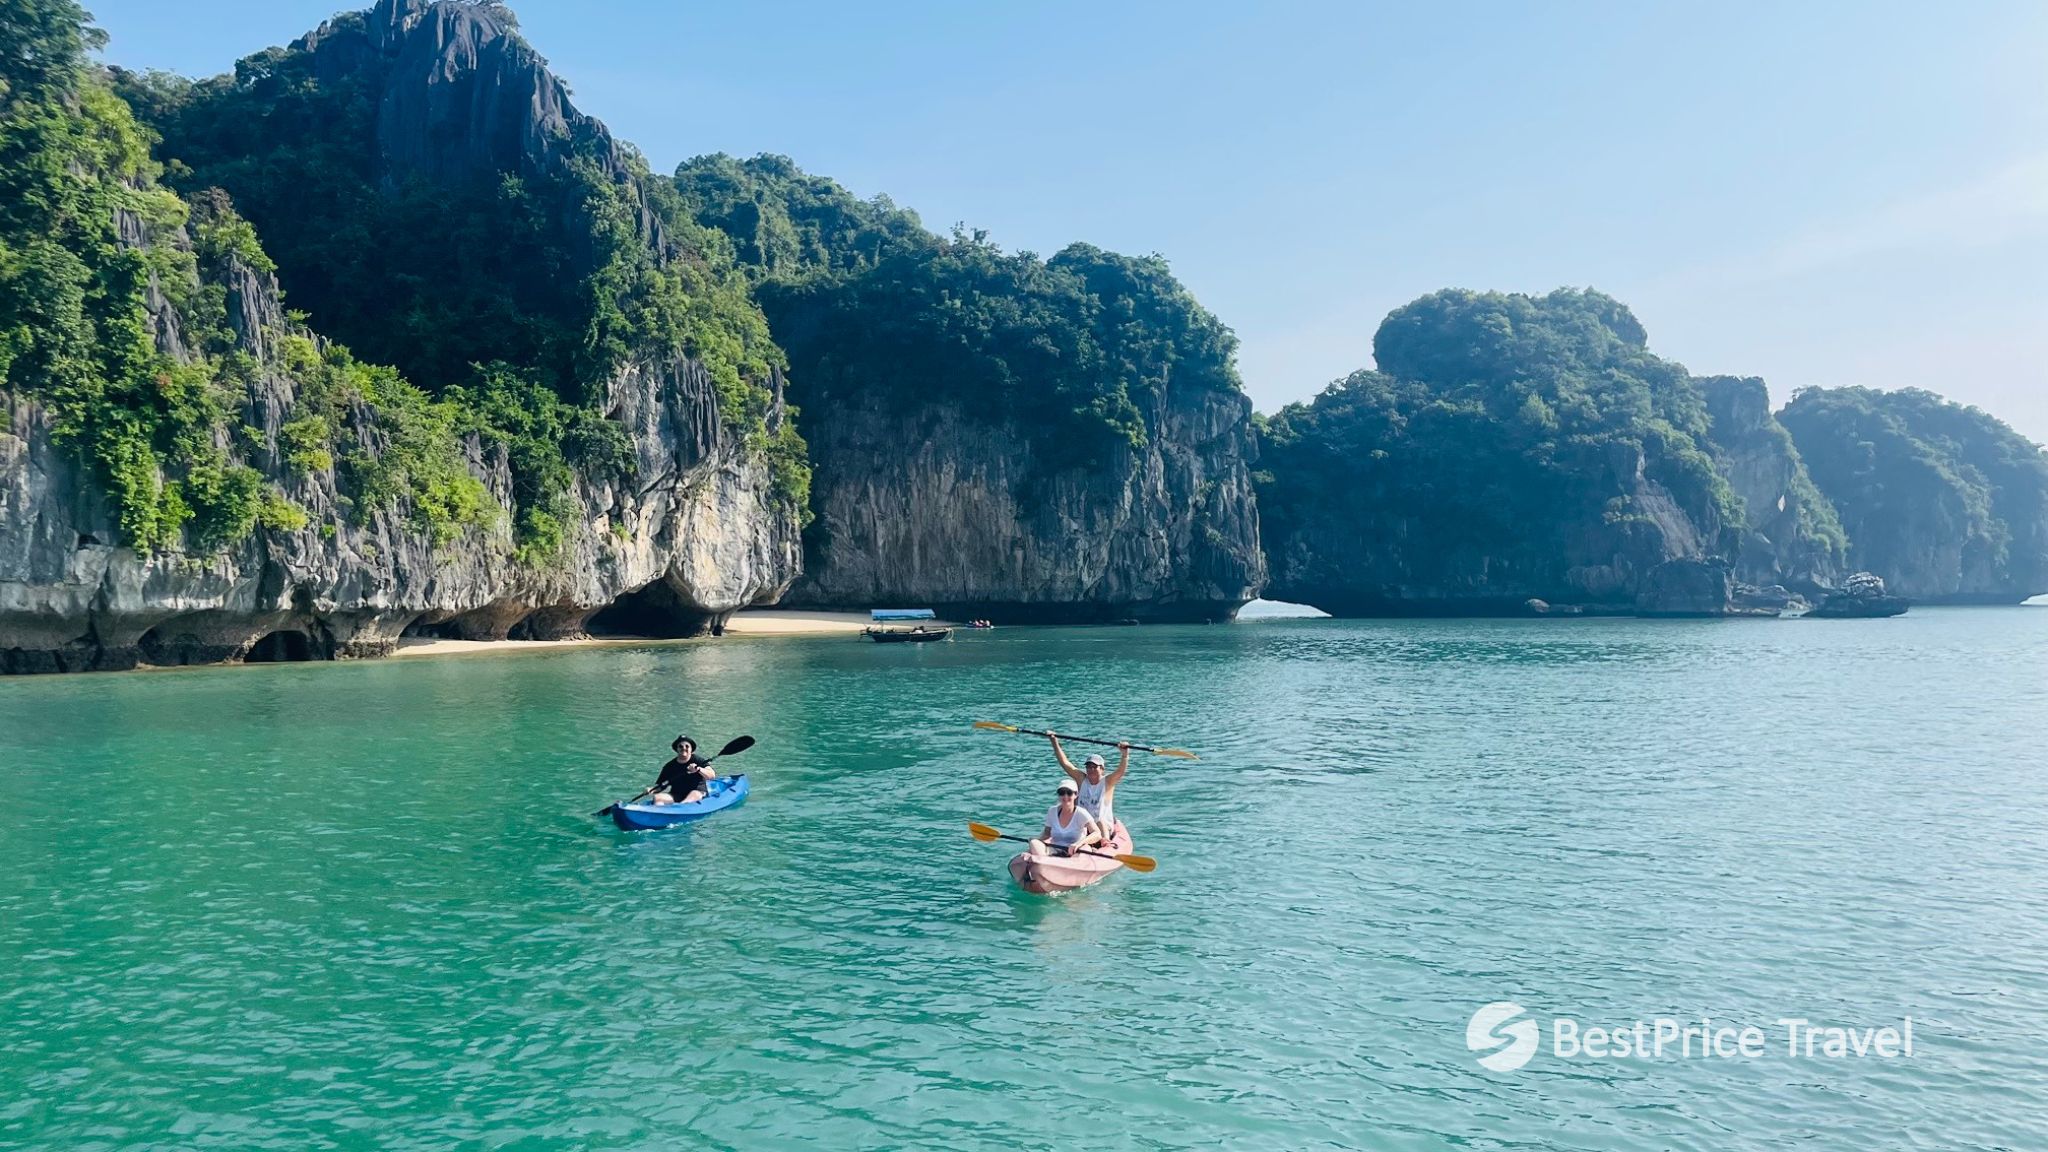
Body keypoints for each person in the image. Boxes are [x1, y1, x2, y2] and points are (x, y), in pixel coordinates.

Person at [1047, 731, 1129, 840]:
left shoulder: (1108, 782)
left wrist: (1124, 756)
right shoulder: (1081, 779)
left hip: (1102, 827)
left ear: (1102, 769)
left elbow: (1120, 772)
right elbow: (1065, 763)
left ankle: (1105, 844)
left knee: (1100, 822)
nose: (1091, 770)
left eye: (1095, 767)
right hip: (1084, 825)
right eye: (1089, 767)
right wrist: (1054, 742)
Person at [1030, 777, 1104, 858]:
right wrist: (1036, 839)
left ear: (1076, 795)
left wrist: (1079, 844)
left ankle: (1072, 865)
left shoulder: (1081, 813)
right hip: (1056, 849)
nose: (1065, 796)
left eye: (1069, 793)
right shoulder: (1052, 811)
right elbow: (1046, 833)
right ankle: (1044, 863)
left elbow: (1097, 833)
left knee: (1085, 849)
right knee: (1034, 843)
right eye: (1062, 793)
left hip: (1076, 850)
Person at [650, 734, 714, 805]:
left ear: (691, 749)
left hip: (698, 793)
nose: (684, 748)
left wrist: (698, 769)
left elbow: (712, 775)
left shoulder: (698, 760)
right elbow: (661, 786)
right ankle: (659, 813)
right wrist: (651, 790)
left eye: (687, 746)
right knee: (657, 798)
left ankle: (680, 808)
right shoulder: (669, 766)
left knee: (694, 794)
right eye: (680, 746)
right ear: (677, 749)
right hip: (677, 795)